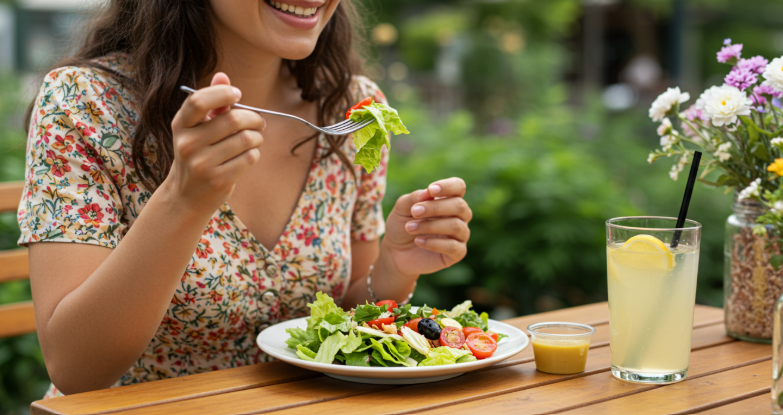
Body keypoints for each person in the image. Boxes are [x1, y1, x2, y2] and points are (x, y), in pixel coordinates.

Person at [18, 0, 472, 397]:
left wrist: (393, 269)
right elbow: (75, 368)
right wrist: (182, 200)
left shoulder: (352, 111)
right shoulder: (84, 103)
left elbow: (339, 329)